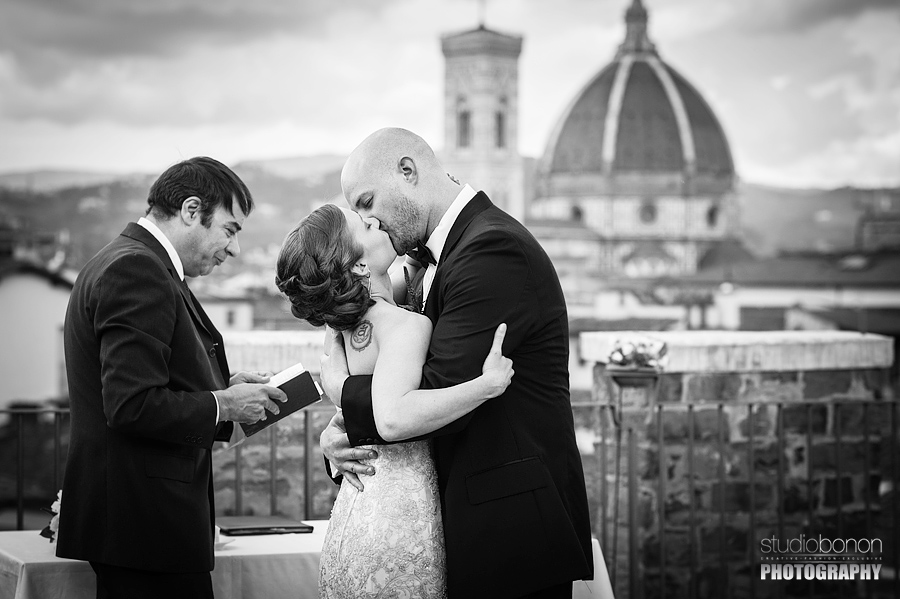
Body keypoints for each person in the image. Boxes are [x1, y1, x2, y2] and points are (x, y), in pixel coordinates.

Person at [319, 127, 594, 598]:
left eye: (367, 202)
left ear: (408, 171)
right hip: (468, 522)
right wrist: (340, 434)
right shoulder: (436, 259)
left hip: (510, 532)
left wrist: (341, 391)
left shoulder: (492, 250)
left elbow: (431, 389)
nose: (367, 221)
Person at [57, 156, 288, 599]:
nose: (234, 249)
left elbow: (151, 378)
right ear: (190, 210)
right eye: (230, 229)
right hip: (144, 524)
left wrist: (223, 385)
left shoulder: (130, 261)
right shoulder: (137, 270)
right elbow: (131, 405)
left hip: (138, 525)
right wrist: (226, 405)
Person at [275, 203, 513, 598]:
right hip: (400, 523)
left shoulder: (340, 327)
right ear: (359, 267)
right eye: (362, 225)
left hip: (355, 513)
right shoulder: (405, 325)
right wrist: (485, 386)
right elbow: (392, 419)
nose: (372, 219)